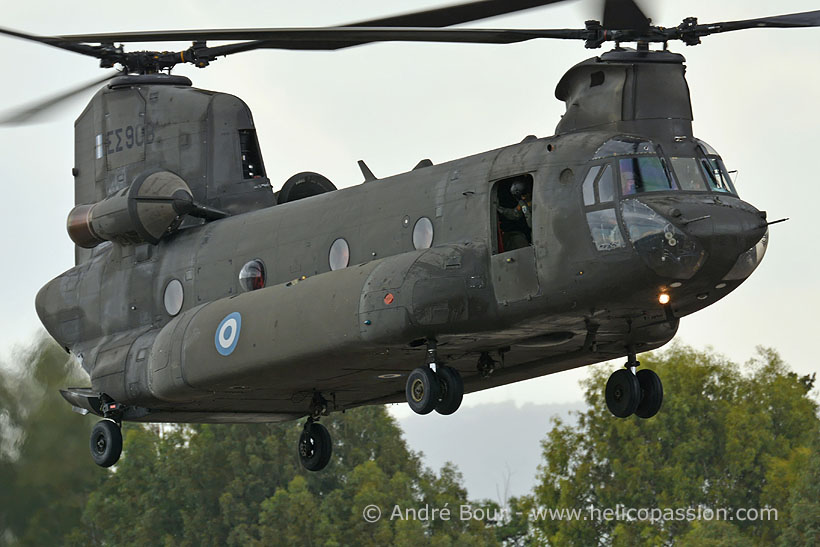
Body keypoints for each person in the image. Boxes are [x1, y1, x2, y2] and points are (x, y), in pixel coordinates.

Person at [497, 179, 533, 251]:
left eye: (524, 195)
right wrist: (500, 210)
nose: (523, 198)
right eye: (520, 196)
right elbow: (515, 214)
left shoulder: (537, 200)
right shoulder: (522, 202)